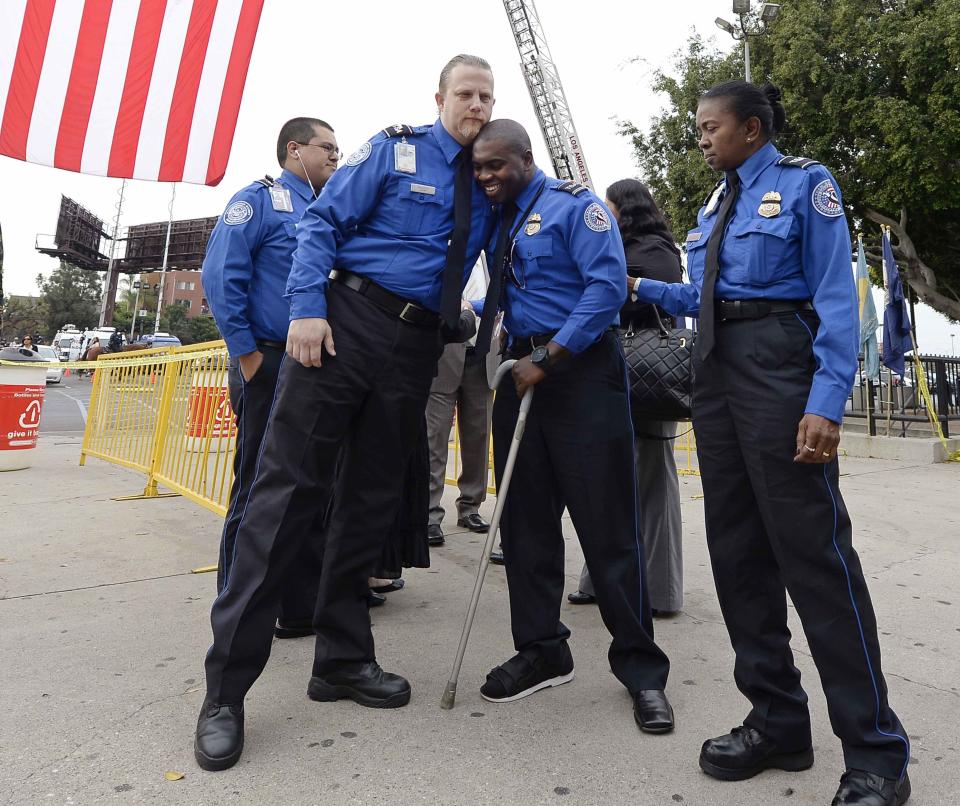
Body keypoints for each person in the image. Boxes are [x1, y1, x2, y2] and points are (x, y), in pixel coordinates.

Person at [194, 54, 496, 772]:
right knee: (284, 497)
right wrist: (304, 310)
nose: (476, 105)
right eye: (466, 93)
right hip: (345, 324)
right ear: (440, 97)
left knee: (367, 505)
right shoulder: (395, 150)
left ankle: (341, 661)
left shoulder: (488, 179)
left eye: (486, 95)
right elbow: (322, 223)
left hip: (417, 346)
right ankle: (224, 693)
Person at [632, 81, 910, 806]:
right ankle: (777, 719)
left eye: (709, 126)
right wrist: (640, 286)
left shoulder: (804, 185)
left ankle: (876, 749)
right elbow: (707, 297)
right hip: (716, 375)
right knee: (738, 556)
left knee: (815, 561)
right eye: (697, 127)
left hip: (780, 376)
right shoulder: (714, 204)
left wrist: (825, 402)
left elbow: (833, 296)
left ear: (752, 129)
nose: (700, 136)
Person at [470, 119, 673, 734]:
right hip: (519, 371)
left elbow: (607, 289)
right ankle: (542, 650)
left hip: (579, 372)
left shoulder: (577, 208)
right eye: (478, 168)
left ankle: (641, 670)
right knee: (526, 525)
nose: (486, 177)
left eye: (496, 166)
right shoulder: (494, 214)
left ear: (526, 159)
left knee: (608, 529)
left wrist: (551, 357)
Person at [201, 117, 340, 640]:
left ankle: (299, 605)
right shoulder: (257, 201)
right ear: (294, 149)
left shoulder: (326, 211)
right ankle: (234, 602)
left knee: (308, 486)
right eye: (326, 147)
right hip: (268, 361)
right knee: (257, 486)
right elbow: (221, 277)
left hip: (311, 368)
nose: (334, 156)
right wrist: (248, 357)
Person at [569, 179, 683, 615]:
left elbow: (619, 294)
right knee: (611, 480)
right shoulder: (635, 247)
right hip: (622, 376)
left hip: (648, 377)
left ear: (625, 209)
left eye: (609, 208)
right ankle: (600, 579)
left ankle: (660, 591)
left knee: (653, 482)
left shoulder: (654, 251)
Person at [424, 271, 499, 547]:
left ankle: (471, 506)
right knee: (436, 436)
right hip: (446, 349)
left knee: (479, 433)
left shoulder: (492, 249)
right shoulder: (444, 241)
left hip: (481, 350)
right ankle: (430, 512)